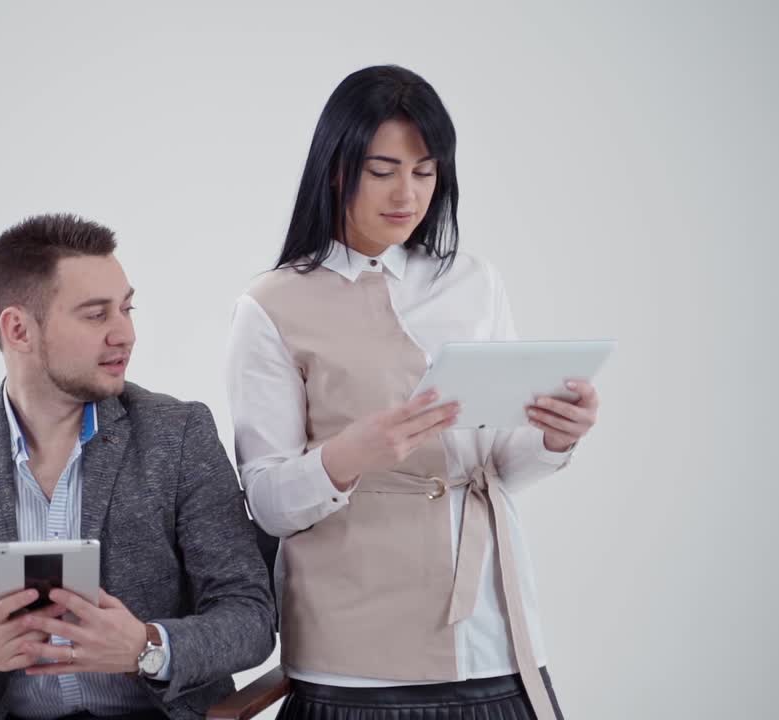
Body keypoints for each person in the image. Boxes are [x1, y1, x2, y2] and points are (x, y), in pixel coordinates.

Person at [227, 65, 601, 720]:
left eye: (425, 171)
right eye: (384, 170)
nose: (408, 193)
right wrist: (346, 456)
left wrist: (551, 436)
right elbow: (266, 502)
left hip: (492, 640)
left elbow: (495, 466)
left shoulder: (474, 282)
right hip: (352, 657)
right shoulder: (271, 305)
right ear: (337, 168)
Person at [0, 213, 275, 720]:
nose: (124, 334)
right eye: (95, 315)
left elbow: (250, 614)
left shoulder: (179, 433)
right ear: (18, 329)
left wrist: (148, 647)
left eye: (127, 309)